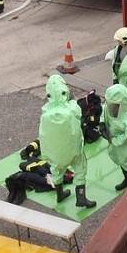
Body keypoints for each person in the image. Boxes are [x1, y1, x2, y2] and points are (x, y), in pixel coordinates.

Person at [38, 74, 96, 207]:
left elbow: (43, 135)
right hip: (73, 151)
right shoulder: (72, 108)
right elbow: (78, 114)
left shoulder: (45, 112)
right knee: (80, 169)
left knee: (56, 170)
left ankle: (59, 194)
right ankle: (81, 198)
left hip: (55, 154)